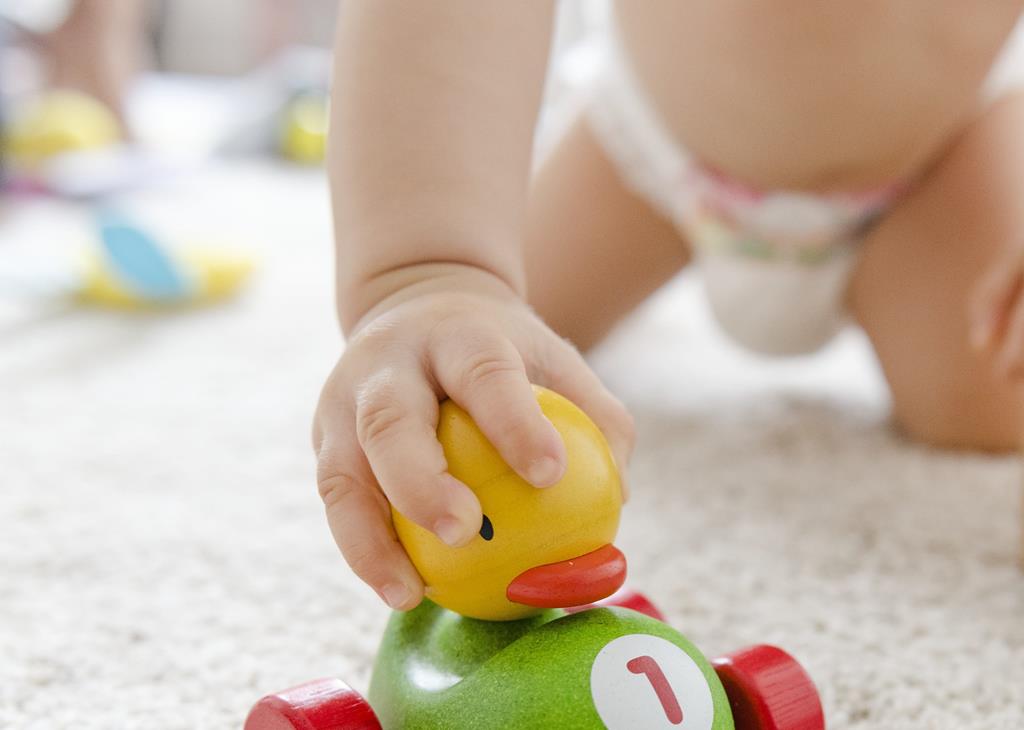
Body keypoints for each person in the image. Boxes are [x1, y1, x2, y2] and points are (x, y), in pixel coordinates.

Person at [315, 1, 1024, 612]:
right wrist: (428, 270)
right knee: (479, 368)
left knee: (984, 408)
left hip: (946, 154)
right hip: (650, 148)